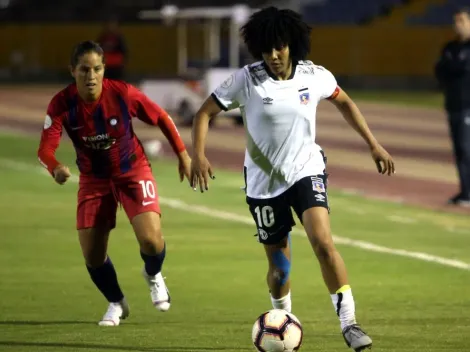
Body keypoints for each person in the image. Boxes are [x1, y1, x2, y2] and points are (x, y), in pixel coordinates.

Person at [190, 7, 395, 352]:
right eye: (267, 49)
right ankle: (283, 324)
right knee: (280, 269)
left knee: (324, 244)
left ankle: (350, 324)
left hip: (306, 171)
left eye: (280, 47)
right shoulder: (247, 79)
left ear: (293, 45)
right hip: (263, 185)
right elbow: (204, 113)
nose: (273, 55)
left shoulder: (314, 76)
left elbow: (344, 102)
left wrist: (373, 144)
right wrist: (198, 154)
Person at [37, 40, 191, 326]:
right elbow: (44, 149)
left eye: (97, 69)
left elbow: (162, 117)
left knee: (151, 241)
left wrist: (183, 155)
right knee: (93, 255)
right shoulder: (62, 104)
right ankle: (116, 302)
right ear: (73, 71)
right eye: (84, 69)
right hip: (93, 181)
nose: (91, 76)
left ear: (104, 69)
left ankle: (153, 274)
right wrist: (55, 167)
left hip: (132, 171)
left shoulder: (122, 93)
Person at [435, 7, 470, 206]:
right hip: (453, 104)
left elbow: (457, 69)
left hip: (469, 105)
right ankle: (465, 191)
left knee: (467, 149)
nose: (459, 25)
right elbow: (440, 70)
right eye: (456, 21)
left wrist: (453, 66)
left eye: (463, 21)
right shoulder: (450, 47)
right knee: (459, 150)